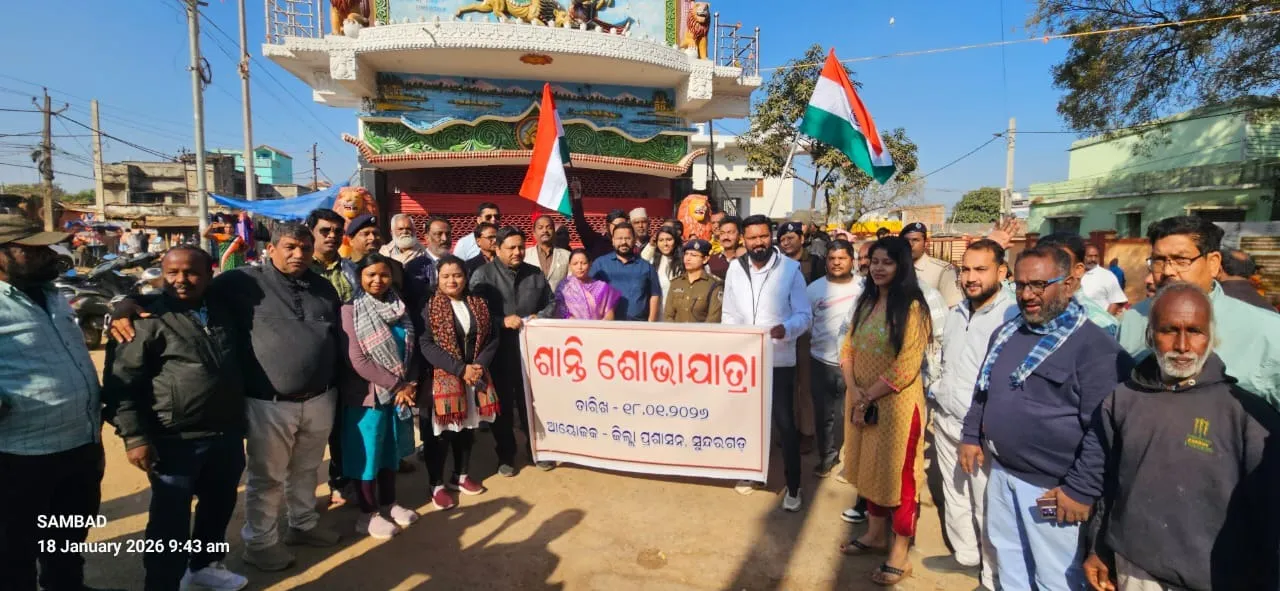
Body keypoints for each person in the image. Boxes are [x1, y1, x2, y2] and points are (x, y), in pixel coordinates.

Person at [112, 223, 345, 571]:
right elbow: (182, 290)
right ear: (273, 249)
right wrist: (127, 305)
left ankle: (303, 524)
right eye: (290, 247)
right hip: (269, 403)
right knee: (267, 477)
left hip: (319, 398)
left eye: (305, 248)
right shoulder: (243, 283)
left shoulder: (323, 287)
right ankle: (261, 543)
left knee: (307, 469)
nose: (298, 254)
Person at [1082, 283, 1280, 591]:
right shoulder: (1123, 399)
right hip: (1136, 568)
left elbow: (1268, 514)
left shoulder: (1246, 415)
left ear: (1211, 337)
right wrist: (1098, 547)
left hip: (1217, 578)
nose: (1183, 345)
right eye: (1169, 330)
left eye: (1195, 331)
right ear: (1150, 335)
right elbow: (1108, 485)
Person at [959, 245, 1131, 591]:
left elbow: (1105, 431)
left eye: (1039, 284)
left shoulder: (1096, 349)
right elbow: (985, 389)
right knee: (1011, 563)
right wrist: (971, 435)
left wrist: (1080, 490)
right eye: (1021, 285)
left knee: (1055, 578)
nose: (1027, 295)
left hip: (1054, 491)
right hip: (1004, 474)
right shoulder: (1009, 333)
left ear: (1069, 284)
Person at [101, 246, 249, 591]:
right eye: (172, 273)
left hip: (224, 432)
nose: (181, 280)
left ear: (209, 274)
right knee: (170, 518)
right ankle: (164, 580)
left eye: (191, 272)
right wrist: (135, 437)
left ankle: (204, 565)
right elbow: (121, 384)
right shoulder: (144, 319)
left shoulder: (222, 308)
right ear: (162, 274)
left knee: (219, 504)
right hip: (173, 438)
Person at [0, 215, 110, 591]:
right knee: (14, 551)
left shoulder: (52, 293)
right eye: (34, 249)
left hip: (80, 446)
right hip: (20, 458)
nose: (49, 254)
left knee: (65, 540)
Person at [836, 237, 932, 586]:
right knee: (868, 470)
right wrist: (853, 389)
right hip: (861, 403)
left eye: (886, 262)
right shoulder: (866, 301)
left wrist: (867, 397)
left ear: (901, 266)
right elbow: (846, 346)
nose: (877, 267)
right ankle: (876, 536)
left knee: (900, 480)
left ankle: (900, 554)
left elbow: (906, 367)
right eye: (874, 261)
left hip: (896, 410)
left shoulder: (914, 309)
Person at [1117, 216, 1280, 407]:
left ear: (1213, 263)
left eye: (1181, 260)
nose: (1168, 270)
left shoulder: (1268, 331)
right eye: (1159, 260)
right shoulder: (1133, 319)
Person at [928, 239, 1016, 589]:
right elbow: (946, 361)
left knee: (987, 503)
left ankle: (993, 578)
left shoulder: (1011, 316)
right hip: (947, 420)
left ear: (1001, 272)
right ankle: (966, 556)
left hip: (981, 431)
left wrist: (980, 429)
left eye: (981, 269)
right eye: (966, 269)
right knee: (955, 493)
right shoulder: (956, 313)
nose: (971, 277)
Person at [721, 215, 812, 511]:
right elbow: (730, 315)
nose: (757, 242)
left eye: (762, 236)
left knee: (785, 424)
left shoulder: (790, 270)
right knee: (748, 422)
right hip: (745, 362)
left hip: (779, 359)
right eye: (752, 238)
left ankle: (794, 486)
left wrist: (786, 329)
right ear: (743, 240)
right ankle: (751, 475)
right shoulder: (735, 269)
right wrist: (733, 343)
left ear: (770, 236)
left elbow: (804, 315)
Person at [338, 254, 421, 539]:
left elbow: (410, 349)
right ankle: (368, 514)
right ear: (360, 277)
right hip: (369, 397)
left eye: (384, 274)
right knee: (367, 455)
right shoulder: (351, 310)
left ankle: (390, 504)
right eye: (370, 274)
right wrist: (398, 385)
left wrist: (409, 383)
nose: (377, 280)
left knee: (390, 452)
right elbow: (357, 360)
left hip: (398, 394)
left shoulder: (399, 306)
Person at [469, 227, 556, 474]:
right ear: (497, 248)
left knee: (533, 403)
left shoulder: (535, 274)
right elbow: (476, 314)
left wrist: (541, 316)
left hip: (533, 352)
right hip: (499, 353)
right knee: (504, 407)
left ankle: (537, 451)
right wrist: (501, 321)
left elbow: (551, 302)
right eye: (511, 248)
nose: (518, 252)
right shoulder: (482, 276)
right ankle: (506, 455)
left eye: (520, 247)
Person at [418, 255, 499, 510]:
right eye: (446, 276)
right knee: (440, 436)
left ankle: (460, 475)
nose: (452, 280)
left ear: (465, 277)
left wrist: (478, 366)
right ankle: (436, 484)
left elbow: (492, 338)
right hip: (442, 380)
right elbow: (425, 344)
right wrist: (459, 369)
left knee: (466, 430)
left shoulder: (478, 303)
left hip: (474, 377)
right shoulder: (429, 307)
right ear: (437, 278)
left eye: (457, 275)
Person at [804, 239, 861, 478]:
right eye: (832, 259)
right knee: (824, 414)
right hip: (821, 362)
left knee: (854, 415)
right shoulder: (814, 289)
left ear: (852, 260)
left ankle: (854, 464)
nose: (836, 263)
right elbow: (807, 324)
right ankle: (827, 458)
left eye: (842, 258)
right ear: (826, 261)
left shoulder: (866, 287)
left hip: (858, 364)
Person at [1036, 233, 1121, 337]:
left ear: (1078, 270)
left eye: (1059, 263)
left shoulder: (1098, 324)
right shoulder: (1027, 313)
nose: (1044, 271)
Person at [589, 223, 661, 322]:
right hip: (607, 325)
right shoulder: (600, 264)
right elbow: (589, 292)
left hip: (638, 325)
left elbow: (655, 294)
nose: (623, 242)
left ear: (634, 240)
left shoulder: (646, 267)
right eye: (619, 238)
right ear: (613, 240)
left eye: (628, 238)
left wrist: (651, 322)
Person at [901, 222, 961, 308]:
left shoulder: (942, 270)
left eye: (915, 240)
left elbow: (953, 306)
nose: (910, 245)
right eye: (906, 241)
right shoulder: (897, 268)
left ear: (926, 243)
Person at [664, 239, 723, 323]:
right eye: (686, 254)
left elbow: (713, 319)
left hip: (701, 334)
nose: (688, 258)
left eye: (693, 255)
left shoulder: (714, 285)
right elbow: (668, 315)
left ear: (705, 259)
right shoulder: (676, 283)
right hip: (676, 334)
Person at [568, 179, 628, 260]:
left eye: (623, 225)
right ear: (608, 225)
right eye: (617, 225)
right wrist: (577, 197)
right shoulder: (596, 241)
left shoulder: (629, 245)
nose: (620, 228)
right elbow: (580, 223)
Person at [555, 249, 621, 320]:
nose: (579, 267)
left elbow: (609, 314)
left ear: (590, 264)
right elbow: (560, 311)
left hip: (597, 329)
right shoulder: (564, 286)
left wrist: (598, 328)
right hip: (571, 328)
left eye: (584, 263)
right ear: (570, 266)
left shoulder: (603, 288)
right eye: (575, 264)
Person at [306, 208, 354, 304]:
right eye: (325, 230)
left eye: (338, 231)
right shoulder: (302, 267)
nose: (332, 235)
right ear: (311, 233)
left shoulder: (353, 268)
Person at [524, 214, 570, 291]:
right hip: (533, 301)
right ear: (534, 233)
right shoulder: (525, 255)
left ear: (554, 232)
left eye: (549, 227)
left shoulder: (567, 255)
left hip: (559, 301)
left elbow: (572, 283)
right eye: (540, 228)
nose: (545, 230)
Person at [1081, 243, 1128, 315]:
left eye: (1096, 256)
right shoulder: (1075, 274)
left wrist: (1106, 322)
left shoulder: (1106, 275)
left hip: (1098, 324)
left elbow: (1117, 301)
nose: (1093, 259)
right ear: (1082, 257)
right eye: (1090, 256)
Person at [646, 226, 682, 313]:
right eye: (661, 240)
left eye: (669, 239)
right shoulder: (652, 262)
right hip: (656, 313)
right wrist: (650, 246)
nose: (665, 244)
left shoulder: (684, 262)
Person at [708, 215, 745, 280]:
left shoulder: (748, 259)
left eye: (730, 233)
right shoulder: (712, 261)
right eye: (722, 233)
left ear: (740, 236)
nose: (726, 237)